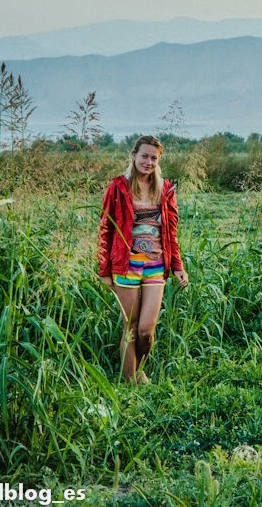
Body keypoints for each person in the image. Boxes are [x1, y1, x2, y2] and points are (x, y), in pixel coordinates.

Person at [98, 135, 188, 383]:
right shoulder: (118, 187)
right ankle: (131, 382)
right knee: (130, 328)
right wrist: (104, 269)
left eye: (154, 158)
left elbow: (171, 230)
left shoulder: (165, 189)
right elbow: (105, 229)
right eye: (144, 156)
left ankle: (138, 370)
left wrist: (178, 266)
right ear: (134, 156)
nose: (148, 162)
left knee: (146, 330)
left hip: (155, 266)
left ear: (158, 161)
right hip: (125, 266)